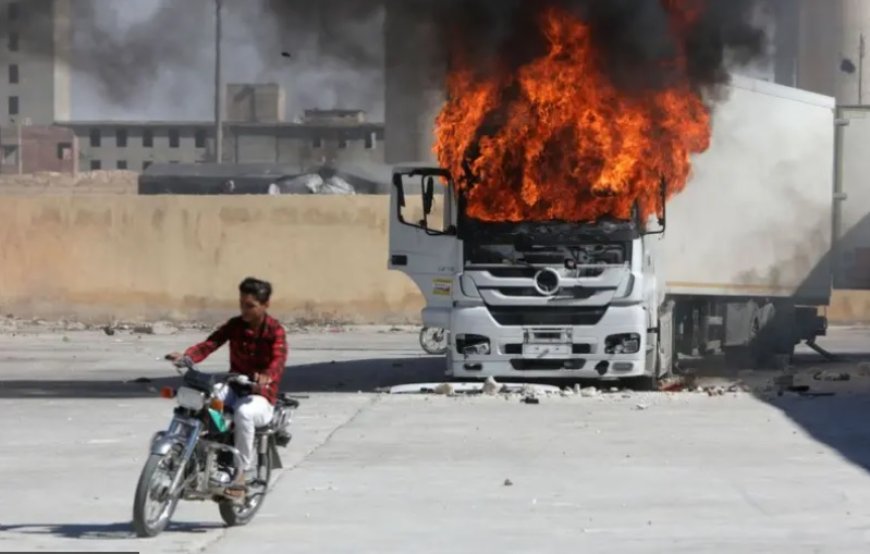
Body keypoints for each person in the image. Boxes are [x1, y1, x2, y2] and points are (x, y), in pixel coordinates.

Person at [167, 277, 287, 493]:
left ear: (265, 305)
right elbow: (211, 343)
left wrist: (266, 376)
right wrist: (187, 357)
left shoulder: (275, 331)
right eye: (242, 304)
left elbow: (278, 361)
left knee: (243, 413)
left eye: (250, 306)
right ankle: (209, 444)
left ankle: (241, 474)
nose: (244, 310)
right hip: (235, 387)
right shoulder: (235, 325)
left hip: (261, 396)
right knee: (207, 397)